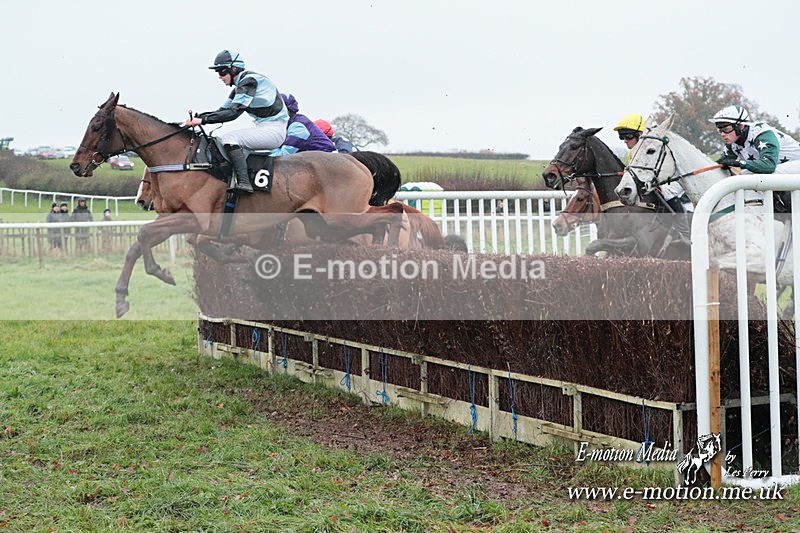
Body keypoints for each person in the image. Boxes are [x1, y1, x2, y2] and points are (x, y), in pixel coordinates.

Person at [183, 50, 289, 193]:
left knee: (229, 139)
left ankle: (244, 182)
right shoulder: (239, 87)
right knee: (222, 140)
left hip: (273, 130)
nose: (219, 77)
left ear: (233, 69)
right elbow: (222, 111)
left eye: (221, 72)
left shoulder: (249, 82)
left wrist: (202, 120)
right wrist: (197, 118)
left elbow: (233, 113)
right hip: (265, 128)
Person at [614, 113, 692, 241]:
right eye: (621, 137)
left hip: (675, 179)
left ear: (640, 134)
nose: (625, 140)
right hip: (655, 181)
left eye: (628, 136)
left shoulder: (657, 144)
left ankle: (686, 235)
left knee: (667, 193)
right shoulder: (632, 153)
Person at [711, 105, 800, 212]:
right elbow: (721, 165)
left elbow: (769, 166)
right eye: (720, 130)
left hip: (795, 164)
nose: (723, 134)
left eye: (726, 129)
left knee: (765, 175)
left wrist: (740, 163)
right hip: (782, 169)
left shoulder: (762, 134)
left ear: (741, 126)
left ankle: (788, 211)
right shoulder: (732, 143)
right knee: (743, 176)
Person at [269, 94, 335, 156]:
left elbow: (284, 155)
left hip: (324, 160)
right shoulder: (289, 124)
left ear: (288, 110)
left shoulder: (298, 127)